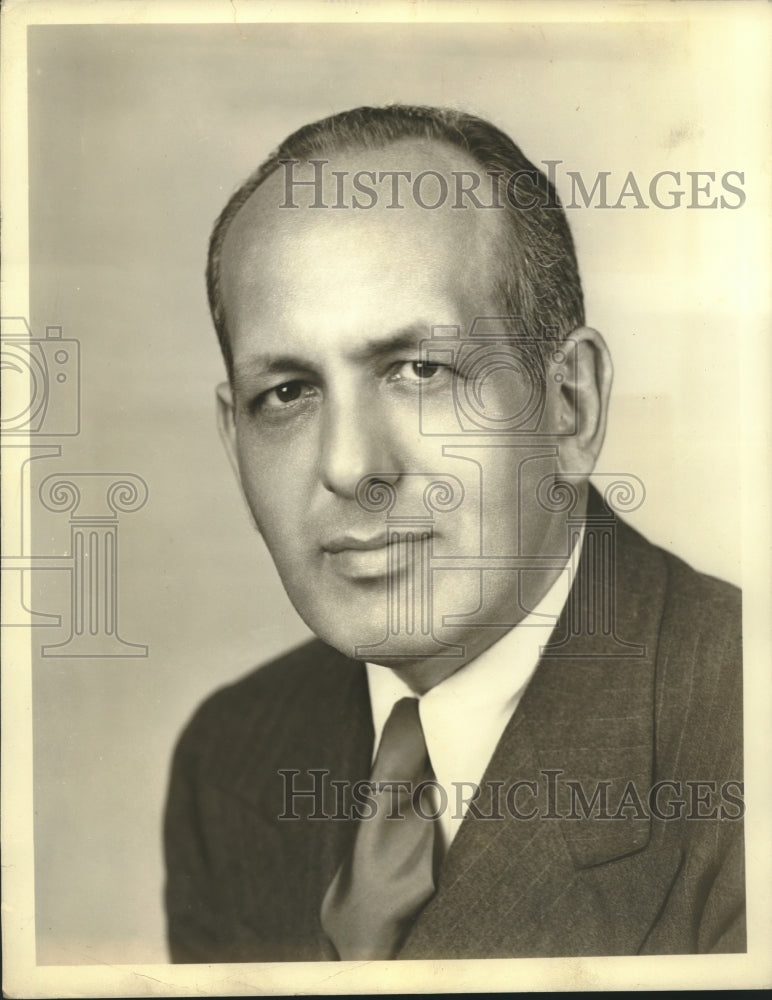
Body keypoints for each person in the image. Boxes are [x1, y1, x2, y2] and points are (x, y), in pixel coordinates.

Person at [163, 105, 745, 962]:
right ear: (232, 438)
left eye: (420, 371)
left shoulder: (744, 736)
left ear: (569, 407)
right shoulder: (233, 757)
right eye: (287, 392)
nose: (351, 466)